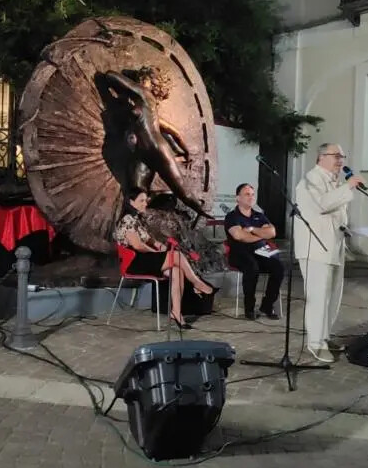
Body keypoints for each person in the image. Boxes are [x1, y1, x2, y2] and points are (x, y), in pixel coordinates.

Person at [105, 67, 212, 219]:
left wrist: (187, 152)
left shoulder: (144, 94)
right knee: (135, 194)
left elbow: (111, 75)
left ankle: (203, 213)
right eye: (139, 79)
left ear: (151, 83)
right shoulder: (147, 109)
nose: (140, 82)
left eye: (144, 79)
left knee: (183, 192)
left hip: (156, 149)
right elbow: (174, 132)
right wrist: (185, 151)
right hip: (141, 154)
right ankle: (158, 200)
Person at [293, 143, 365, 363]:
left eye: (342, 156)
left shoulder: (333, 181)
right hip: (315, 249)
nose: (341, 160)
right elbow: (322, 205)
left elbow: (333, 213)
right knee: (317, 297)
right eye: (336, 155)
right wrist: (348, 186)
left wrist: (345, 228)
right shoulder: (309, 180)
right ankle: (315, 344)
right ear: (321, 156)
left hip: (333, 247)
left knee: (333, 295)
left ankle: (324, 336)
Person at [113, 187, 216, 329]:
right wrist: (156, 253)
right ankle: (197, 283)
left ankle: (176, 312)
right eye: (141, 201)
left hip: (145, 259)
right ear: (131, 202)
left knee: (176, 270)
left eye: (146, 200)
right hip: (135, 262)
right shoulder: (127, 220)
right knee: (177, 256)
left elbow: (150, 240)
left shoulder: (137, 219)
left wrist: (161, 247)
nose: (145, 203)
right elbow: (138, 246)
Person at [224, 183, 284, 320]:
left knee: (278, 267)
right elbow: (239, 236)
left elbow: (272, 232)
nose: (251, 197)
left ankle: (267, 305)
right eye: (247, 194)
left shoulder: (259, 215)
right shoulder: (232, 216)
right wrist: (261, 234)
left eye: (252, 194)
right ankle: (249, 308)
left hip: (261, 250)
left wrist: (251, 230)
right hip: (240, 252)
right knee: (252, 267)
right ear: (238, 198)